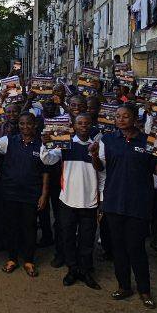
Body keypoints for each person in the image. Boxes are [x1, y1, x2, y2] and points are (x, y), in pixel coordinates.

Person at [91, 103, 157, 309]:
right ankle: (124, 286)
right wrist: (94, 155)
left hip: (138, 202)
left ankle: (144, 290)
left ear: (135, 119)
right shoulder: (108, 140)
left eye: (125, 116)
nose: (120, 119)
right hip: (114, 201)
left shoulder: (148, 141)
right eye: (117, 116)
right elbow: (100, 167)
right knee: (118, 247)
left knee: (136, 247)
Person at [42, 113, 102, 289]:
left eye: (86, 123)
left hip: (89, 201)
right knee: (67, 237)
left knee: (87, 239)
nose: (83, 126)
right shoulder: (65, 143)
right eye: (80, 123)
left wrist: (102, 197)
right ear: (74, 126)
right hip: (67, 200)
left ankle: (85, 270)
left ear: (91, 125)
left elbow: (102, 172)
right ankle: (72, 269)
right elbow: (48, 159)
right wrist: (45, 144)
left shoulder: (98, 146)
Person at [0, 112, 51, 277]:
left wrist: (44, 194)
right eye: (22, 123)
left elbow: (46, 171)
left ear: (35, 125)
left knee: (29, 226)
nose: (25, 127)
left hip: (32, 193)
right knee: (11, 226)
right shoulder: (9, 140)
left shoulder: (42, 144)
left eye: (29, 123)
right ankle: (12, 258)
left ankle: (29, 260)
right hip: (10, 192)